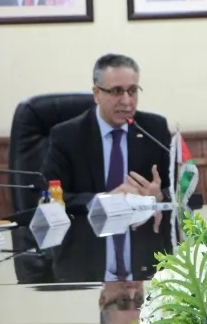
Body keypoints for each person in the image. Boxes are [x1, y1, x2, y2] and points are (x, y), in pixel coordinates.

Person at [42, 54, 172, 215]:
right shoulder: (67, 136)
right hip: (88, 228)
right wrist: (105, 200)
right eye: (117, 91)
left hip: (141, 226)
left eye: (132, 91)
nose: (126, 101)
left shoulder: (154, 129)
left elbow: (179, 189)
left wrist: (160, 196)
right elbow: (50, 197)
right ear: (97, 94)